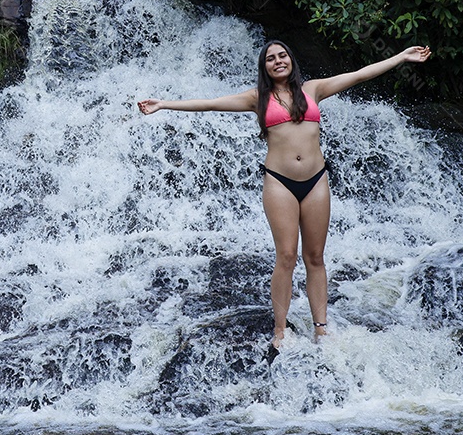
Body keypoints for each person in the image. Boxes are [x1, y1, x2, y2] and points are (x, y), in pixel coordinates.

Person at [138, 40, 431, 349]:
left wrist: (401, 56)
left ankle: (321, 329)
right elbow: (210, 103)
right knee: (287, 256)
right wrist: (164, 104)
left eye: (282, 56)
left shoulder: (313, 90)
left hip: (316, 181)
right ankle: (280, 330)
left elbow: (360, 74)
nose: (278, 61)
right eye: (271, 59)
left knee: (315, 257)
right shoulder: (257, 98)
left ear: (291, 60)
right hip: (279, 183)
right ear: (264, 67)